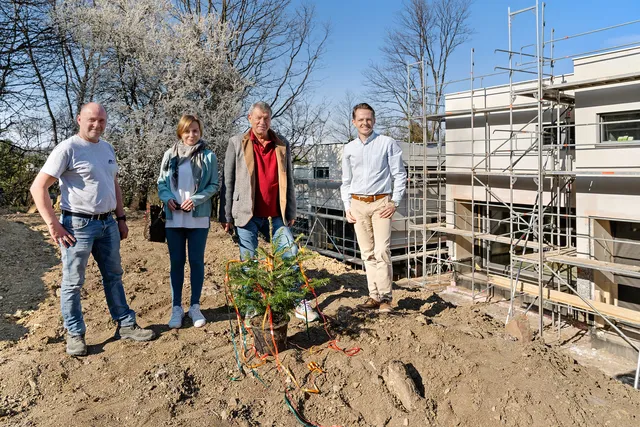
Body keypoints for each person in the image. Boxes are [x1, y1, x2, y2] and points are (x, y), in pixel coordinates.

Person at [29, 102, 156, 356]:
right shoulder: (68, 148)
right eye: (92, 120)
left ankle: (125, 324)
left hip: (108, 223)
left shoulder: (107, 148)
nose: (97, 125)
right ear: (79, 119)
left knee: (114, 276)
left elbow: (114, 184)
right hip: (78, 225)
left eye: (102, 121)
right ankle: (75, 334)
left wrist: (121, 217)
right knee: (73, 282)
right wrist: (53, 224)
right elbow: (38, 187)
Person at [220, 101, 319, 322]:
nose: (262, 122)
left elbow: (290, 179)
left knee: (290, 254)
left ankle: (298, 302)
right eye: (258, 118)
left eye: (266, 118)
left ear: (270, 119)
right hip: (246, 213)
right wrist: (225, 215)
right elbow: (227, 180)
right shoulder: (237, 143)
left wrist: (291, 210)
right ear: (249, 118)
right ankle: (251, 303)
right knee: (249, 260)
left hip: (276, 214)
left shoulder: (281, 143)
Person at [340, 103, 407, 313]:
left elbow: (399, 174)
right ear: (354, 122)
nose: (365, 122)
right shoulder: (349, 148)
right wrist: (347, 206)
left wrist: (394, 201)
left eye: (368, 118)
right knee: (367, 253)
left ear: (374, 120)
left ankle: (386, 298)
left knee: (382, 250)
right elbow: (345, 180)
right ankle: (374, 296)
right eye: (360, 119)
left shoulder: (387, 143)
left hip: (381, 204)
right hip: (357, 204)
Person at [157, 115, 219, 329]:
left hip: (198, 217)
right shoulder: (169, 155)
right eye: (187, 131)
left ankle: (194, 306)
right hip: (174, 217)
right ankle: (176, 307)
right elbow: (162, 183)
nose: (192, 135)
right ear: (180, 133)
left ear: (200, 132)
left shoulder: (209, 156)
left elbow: (213, 185)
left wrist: (195, 200)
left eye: (195, 130)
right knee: (176, 262)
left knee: (196, 262)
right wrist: (168, 199)